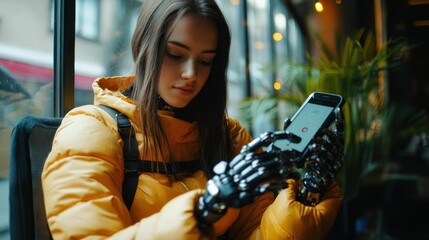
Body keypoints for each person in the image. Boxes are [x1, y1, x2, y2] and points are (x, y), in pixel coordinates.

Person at [41, 0, 343, 239]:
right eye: (175, 54)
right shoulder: (90, 129)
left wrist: (307, 195)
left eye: (206, 61)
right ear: (144, 48)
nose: (191, 75)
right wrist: (204, 212)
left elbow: (256, 233)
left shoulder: (229, 136)